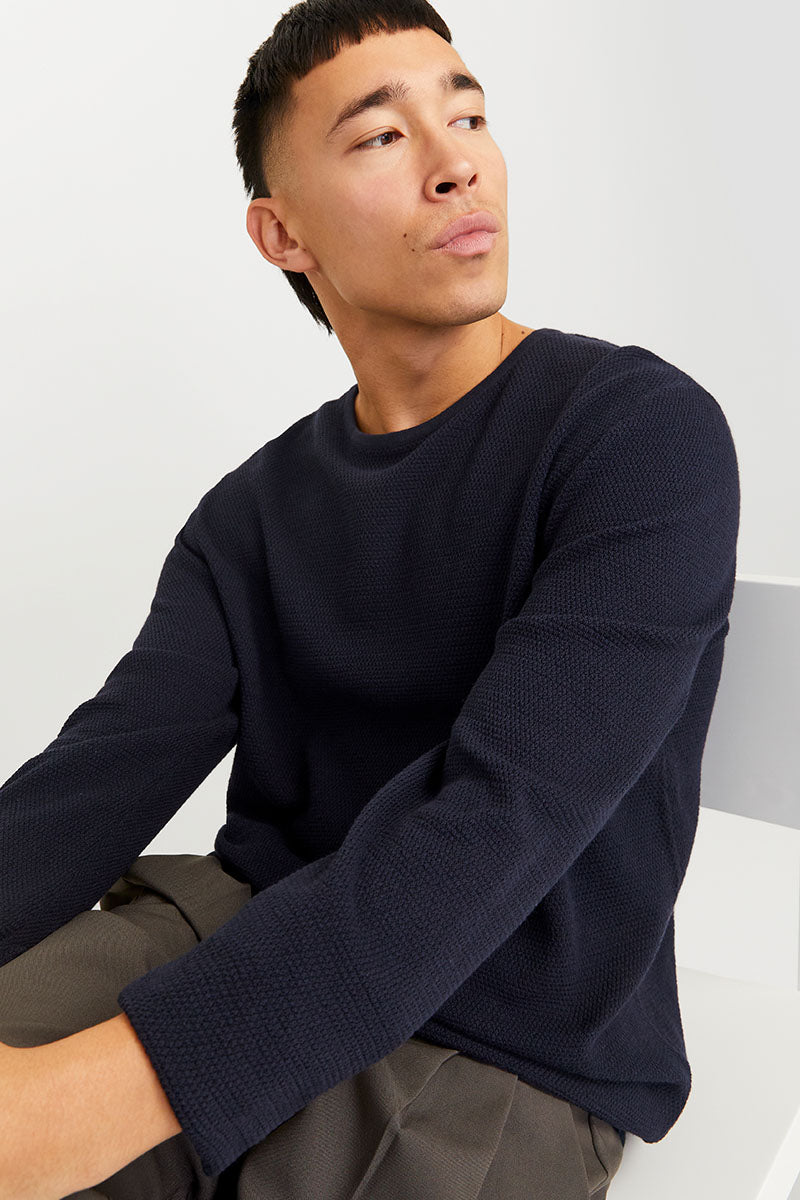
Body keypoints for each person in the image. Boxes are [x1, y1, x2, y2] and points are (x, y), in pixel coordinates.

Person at [0, 1, 740, 1197]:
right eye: (382, 136)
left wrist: (82, 1109)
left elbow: (489, 827)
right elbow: (94, 780)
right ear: (280, 231)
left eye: (468, 116)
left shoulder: (637, 437)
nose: (456, 163)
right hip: (243, 926)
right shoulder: (250, 512)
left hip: (498, 1035)